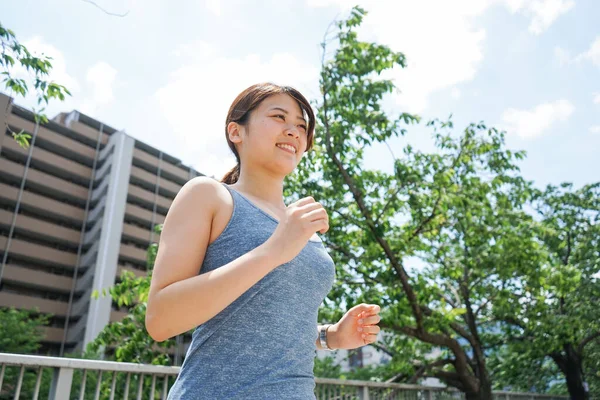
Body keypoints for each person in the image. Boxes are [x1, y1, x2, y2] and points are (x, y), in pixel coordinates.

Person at [145, 82, 381, 399]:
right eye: (279, 117)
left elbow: (263, 321)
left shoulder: (300, 226)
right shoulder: (209, 195)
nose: (294, 131)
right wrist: (272, 251)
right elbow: (161, 320)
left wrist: (330, 336)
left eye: (301, 125)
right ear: (235, 132)